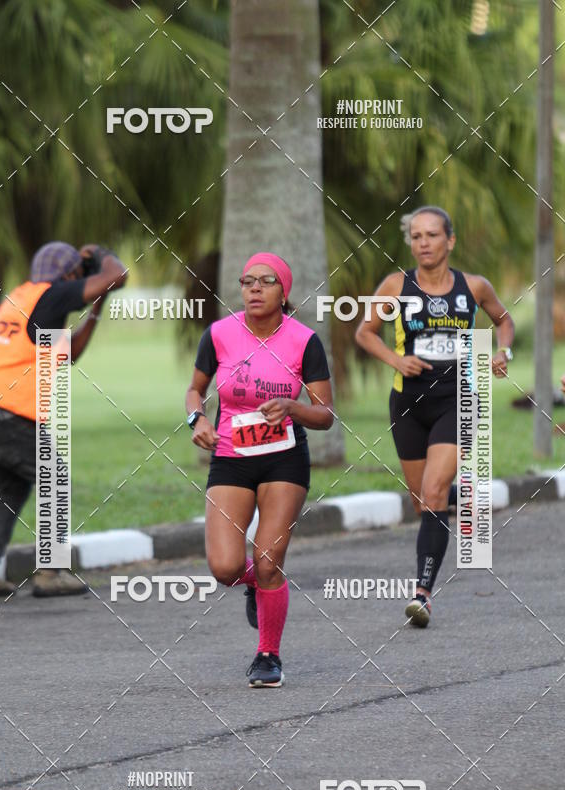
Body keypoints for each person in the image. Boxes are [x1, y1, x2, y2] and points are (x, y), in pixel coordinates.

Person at [355, 206, 514, 627]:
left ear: (450, 240)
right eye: (416, 236)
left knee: (433, 492)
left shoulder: (474, 286)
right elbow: (364, 333)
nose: (423, 243)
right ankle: (457, 501)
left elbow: (503, 320)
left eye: (431, 235)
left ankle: (422, 594)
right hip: (407, 404)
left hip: (458, 398)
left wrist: (503, 351)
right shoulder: (396, 285)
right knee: (424, 502)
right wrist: (396, 360)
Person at [185, 252, 334, 686]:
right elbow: (194, 390)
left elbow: (325, 414)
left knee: (269, 560)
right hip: (231, 456)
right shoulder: (219, 334)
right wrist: (198, 419)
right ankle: (257, 583)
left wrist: (292, 406)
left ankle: (268, 654)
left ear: (283, 292)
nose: (253, 288)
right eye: (247, 280)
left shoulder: (304, 341)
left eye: (265, 281)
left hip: (284, 457)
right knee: (225, 568)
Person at [0, 241, 127, 598]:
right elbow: (117, 275)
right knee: (55, 476)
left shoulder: (23, 299)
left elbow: (69, 354)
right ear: (69, 275)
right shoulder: (54, 294)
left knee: (15, 483)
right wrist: (98, 254)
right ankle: (51, 573)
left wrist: (98, 306)